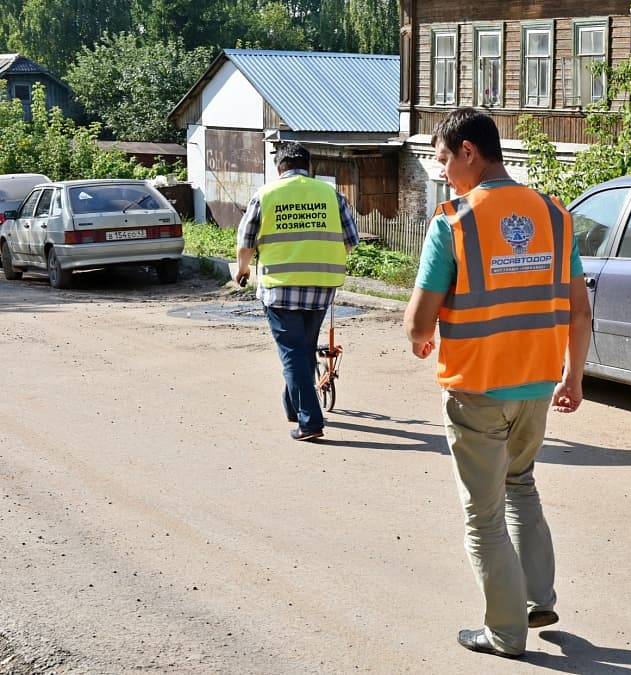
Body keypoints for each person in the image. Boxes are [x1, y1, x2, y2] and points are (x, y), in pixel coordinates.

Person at [404, 107, 591, 659]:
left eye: (442, 160)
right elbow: (580, 312)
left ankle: (506, 632)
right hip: (537, 386)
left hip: (477, 388)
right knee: (522, 484)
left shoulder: (454, 221)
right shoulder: (556, 216)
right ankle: (537, 598)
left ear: (468, 152)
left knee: (482, 514)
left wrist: (419, 338)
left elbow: (418, 322)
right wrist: (572, 377)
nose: (440, 172)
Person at [235, 141, 359, 442]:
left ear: (280, 168)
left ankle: (310, 421)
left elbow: (246, 240)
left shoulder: (266, 195)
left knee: (292, 354)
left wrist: (242, 270)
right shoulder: (331, 194)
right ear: (309, 167)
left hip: (279, 288)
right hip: (321, 288)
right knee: (302, 350)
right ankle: (294, 406)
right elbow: (351, 240)